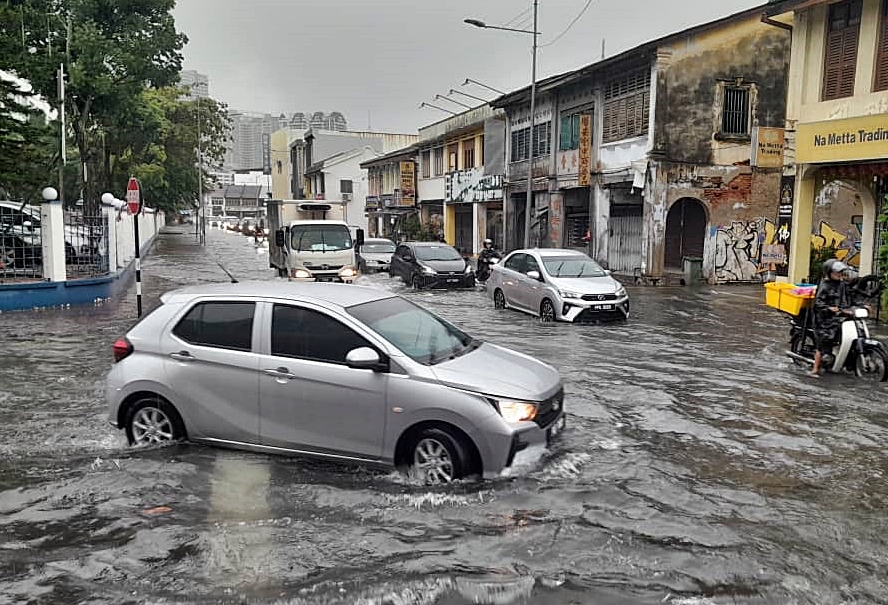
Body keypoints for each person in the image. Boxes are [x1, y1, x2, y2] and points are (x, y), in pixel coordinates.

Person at [809, 258, 850, 377]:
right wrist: (828, 308)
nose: (839, 274)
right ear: (829, 273)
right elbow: (818, 304)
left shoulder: (842, 284)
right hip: (823, 319)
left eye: (840, 272)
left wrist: (861, 305)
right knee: (822, 342)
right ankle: (815, 369)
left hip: (837, 316)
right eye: (836, 272)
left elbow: (850, 296)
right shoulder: (824, 285)